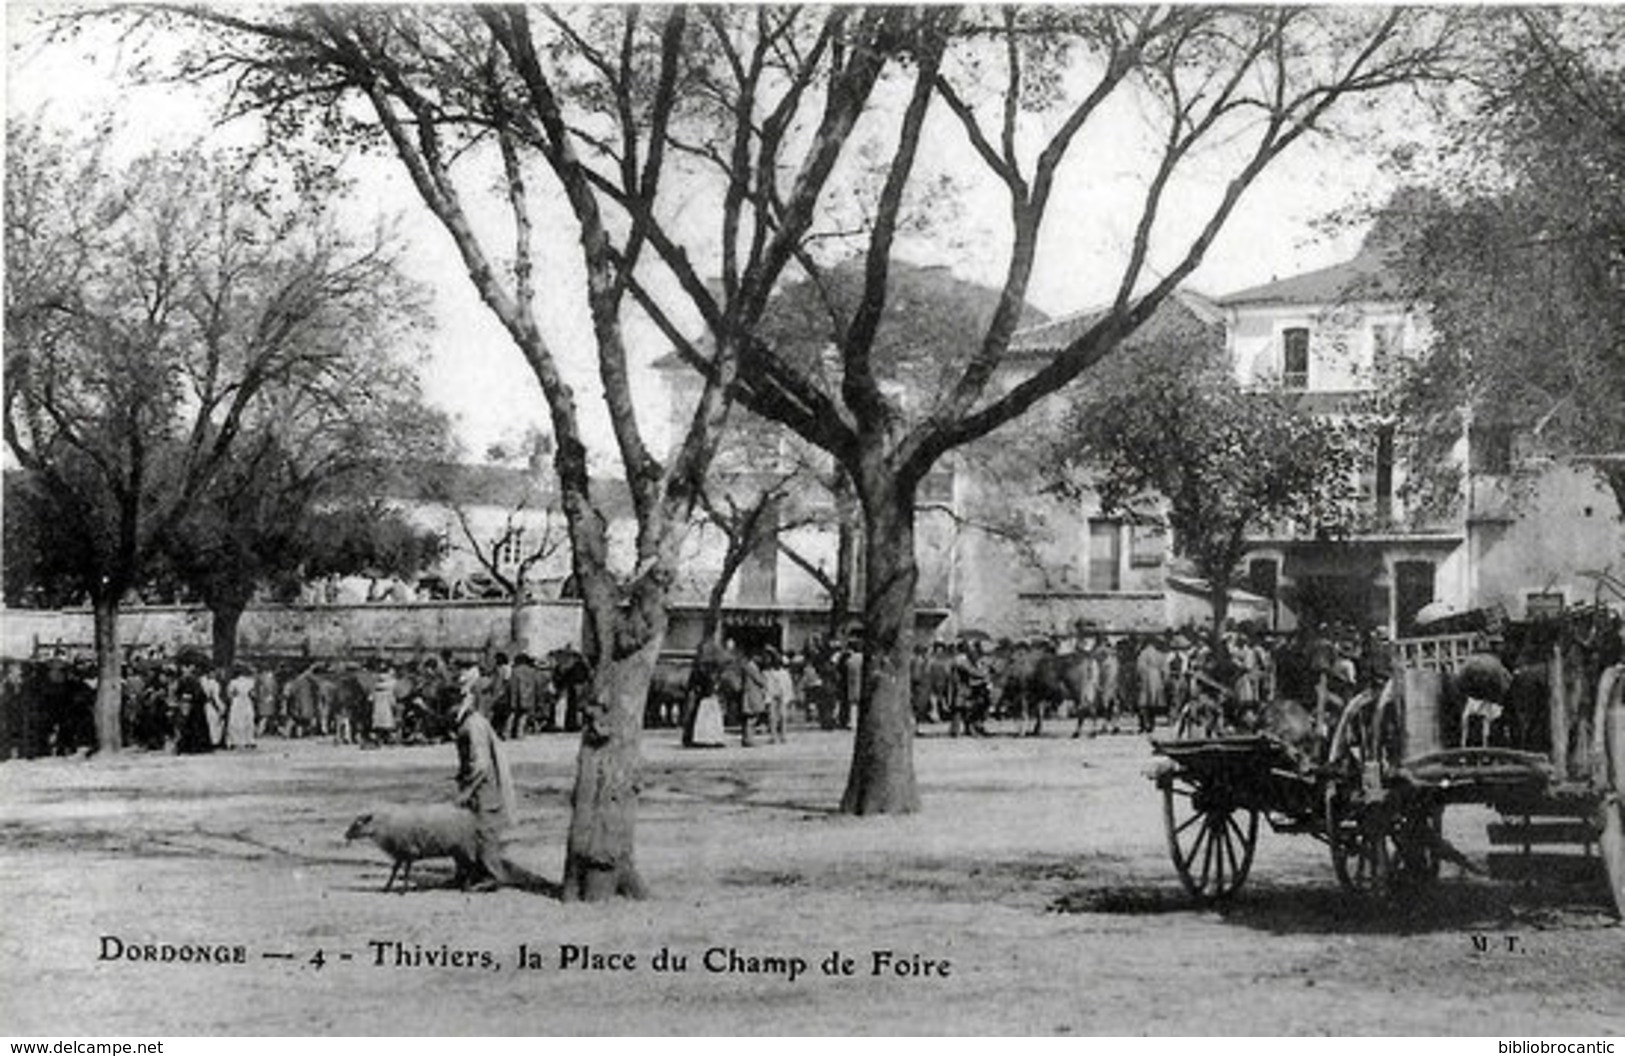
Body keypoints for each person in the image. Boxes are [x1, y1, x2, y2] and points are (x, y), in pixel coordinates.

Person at [451, 692, 519, 891]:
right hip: (472, 783)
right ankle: (470, 873)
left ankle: (492, 875)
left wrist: (468, 791)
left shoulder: (474, 725)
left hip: (483, 786)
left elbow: (481, 764)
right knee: (465, 830)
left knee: (485, 830)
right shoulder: (470, 722)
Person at [225, 663, 258, 749]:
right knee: (248, 720)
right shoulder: (251, 681)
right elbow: (253, 694)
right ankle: (249, 740)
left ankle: (235, 741)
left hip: (237, 701)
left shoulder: (233, 682)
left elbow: (229, 694)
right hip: (247, 701)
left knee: (235, 721)